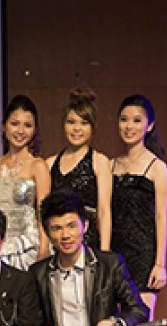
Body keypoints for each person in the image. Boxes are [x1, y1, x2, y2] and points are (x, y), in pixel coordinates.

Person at [31, 189, 149, 326]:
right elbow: (36, 323)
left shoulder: (110, 263)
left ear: (84, 226)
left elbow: (139, 309)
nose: (65, 235)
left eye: (71, 225)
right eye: (56, 228)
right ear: (47, 232)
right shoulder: (39, 273)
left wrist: (109, 323)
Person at [110, 95, 167, 326]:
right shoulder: (110, 165)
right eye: (124, 119)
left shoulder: (156, 167)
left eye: (136, 120)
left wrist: (159, 263)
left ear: (150, 125)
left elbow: (162, 218)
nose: (129, 126)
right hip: (115, 255)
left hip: (143, 253)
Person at [0, 95, 51, 270]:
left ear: (34, 130)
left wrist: (44, 247)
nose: (20, 131)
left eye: (28, 125)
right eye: (15, 124)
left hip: (29, 248)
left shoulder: (38, 165)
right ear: (4, 126)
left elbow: (43, 211)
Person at [46, 88, 112, 251]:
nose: (77, 129)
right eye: (71, 122)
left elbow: (104, 211)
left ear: (93, 127)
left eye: (84, 123)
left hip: (89, 245)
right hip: (58, 245)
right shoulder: (50, 163)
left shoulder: (100, 161)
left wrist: (104, 253)